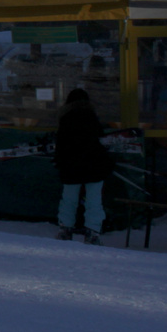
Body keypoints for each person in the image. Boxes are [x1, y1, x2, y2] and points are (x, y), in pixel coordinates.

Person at [54, 88, 111, 244]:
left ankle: (65, 228)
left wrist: (60, 162)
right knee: (94, 200)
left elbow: (61, 145)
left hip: (71, 166)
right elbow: (100, 141)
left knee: (69, 199)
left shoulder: (66, 119)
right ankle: (93, 231)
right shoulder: (92, 118)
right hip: (95, 165)